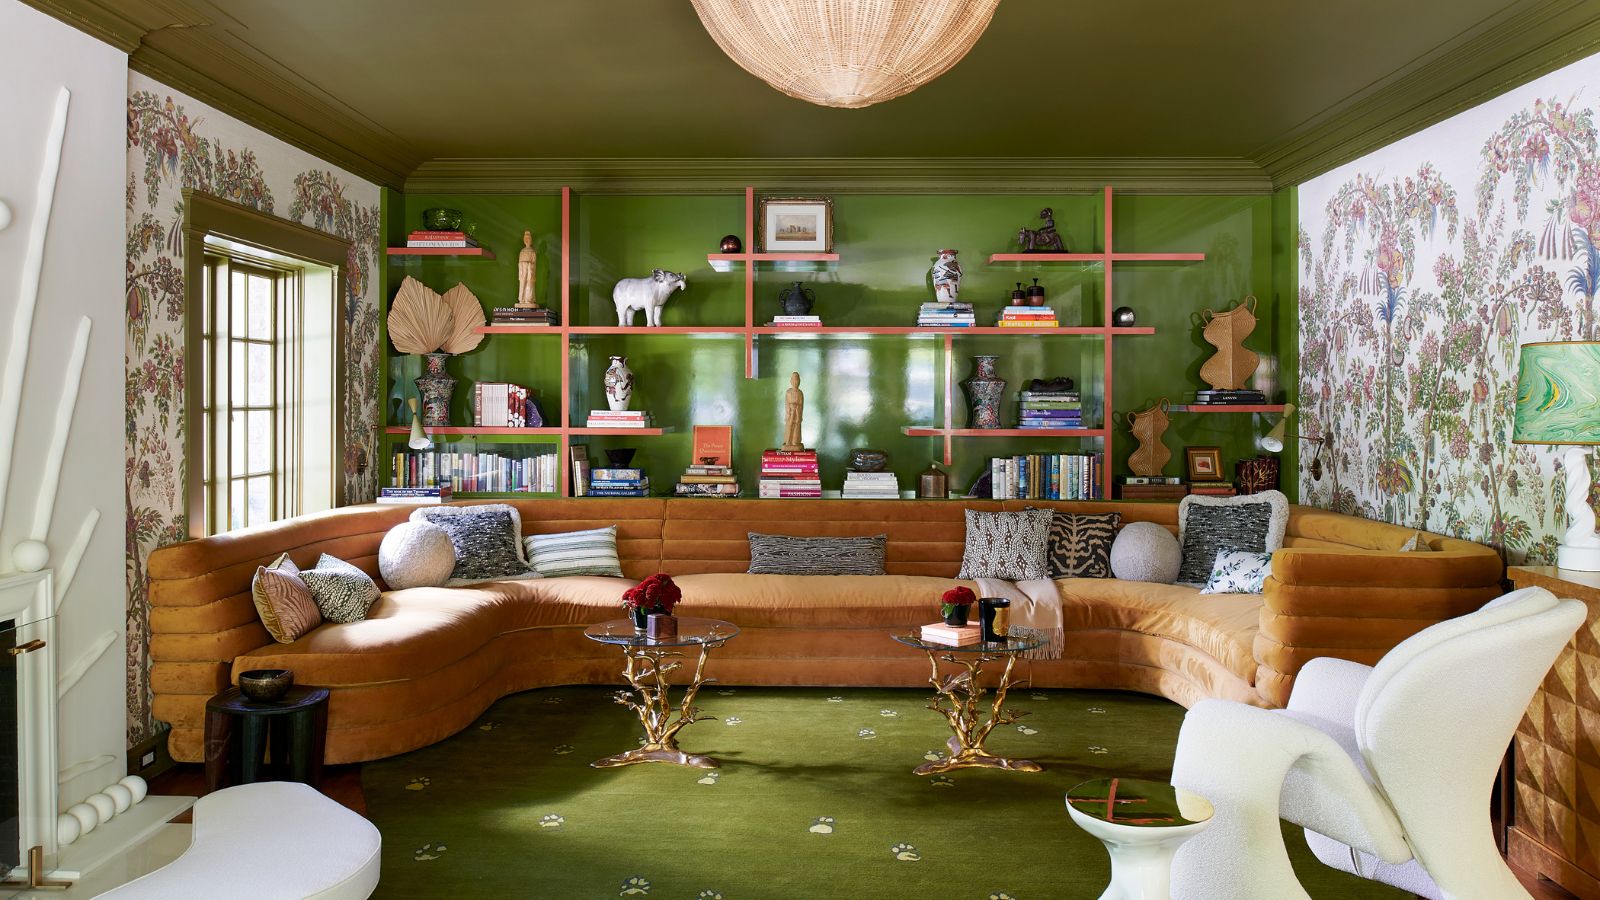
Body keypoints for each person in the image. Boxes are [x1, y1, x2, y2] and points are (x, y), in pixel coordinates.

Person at [781, 372, 804, 451]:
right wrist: (789, 411)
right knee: (789, 427)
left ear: (799, 381)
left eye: (797, 380)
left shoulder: (800, 393)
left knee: (796, 429)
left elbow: (801, 405)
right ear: (791, 381)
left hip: (797, 414)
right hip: (790, 414)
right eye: (793, 380)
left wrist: (797, 410)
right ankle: (788, 441)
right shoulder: (788, 392)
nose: (795, 382)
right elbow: (786, 404)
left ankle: (795, 441)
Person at [516, 230, 538, 308]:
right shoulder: (522, 252)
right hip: (523, 272)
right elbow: (519, 263)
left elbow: (534, 263)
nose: (527, 240)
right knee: (522, 285)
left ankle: (529, 299)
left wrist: (529, 266)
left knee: (529, 285)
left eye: (528, 239)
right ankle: (522, 299)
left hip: (529, 273)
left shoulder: (532, 252)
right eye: (526, 239)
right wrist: (523, 265)